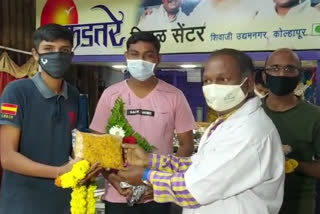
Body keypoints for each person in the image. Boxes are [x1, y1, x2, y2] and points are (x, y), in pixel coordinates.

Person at [117, 48, 285, 214]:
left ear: (247, 84)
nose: (213, 87)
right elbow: (197, 165)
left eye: (223, 79)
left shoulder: (248, 132)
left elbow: (191, 190)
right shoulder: (227, 122)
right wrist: (150, 160)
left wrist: (146, 175)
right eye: (207, 81)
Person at [89, 31, 195, 214]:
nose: (141, 60)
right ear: (126, 56)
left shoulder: (174, 96)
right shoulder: (110, 95)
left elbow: (187, 145)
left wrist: (165, 182)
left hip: (157, 192)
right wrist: (113, 179)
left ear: (158, 59)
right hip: (117, 193)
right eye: (134, 54)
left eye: (148, 55)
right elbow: (99, 146)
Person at [0, 24, 80, 214]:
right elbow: (7, 157)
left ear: (71, 56)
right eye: (49, 49)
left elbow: (76, 146)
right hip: (22, 204)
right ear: (35, 54)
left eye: (64, 50)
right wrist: (59, 172)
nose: (57, 55)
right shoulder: (16, 91)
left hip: (63, 202)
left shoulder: (75, 96)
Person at [262, 48, 320, 214]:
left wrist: (291, 164)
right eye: (275, 68)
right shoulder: (249, 112)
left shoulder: (315, 116)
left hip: (297, 202)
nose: (281, 74)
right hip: (254, 201)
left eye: (289, 68)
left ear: (299, 75)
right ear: (265, 75)